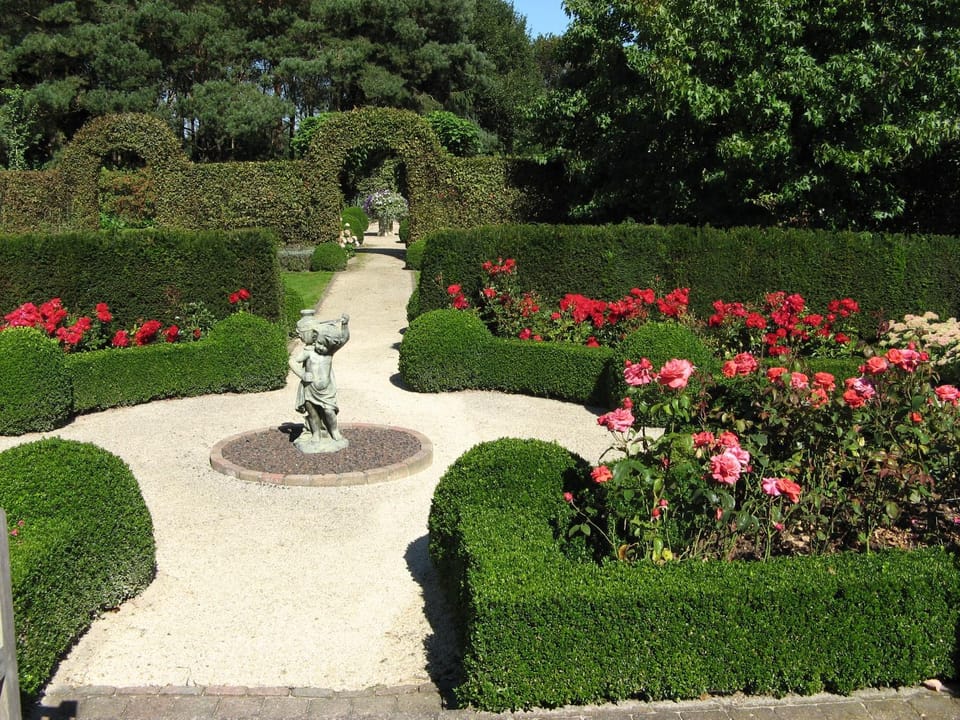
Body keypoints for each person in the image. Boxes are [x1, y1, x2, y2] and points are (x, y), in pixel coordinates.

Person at [289, 312, 350, 452]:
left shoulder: (330, 353)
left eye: (324, 345)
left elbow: (344, 339)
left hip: (326, 390)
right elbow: (292, 361)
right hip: (310, 389)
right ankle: (315, 434)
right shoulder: (309, 352)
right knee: (313, 413)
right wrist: (302, 374)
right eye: (319, 343)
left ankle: (334, 432)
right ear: (315, 339)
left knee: (329, 411)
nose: (321, 347)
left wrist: (345, 325)